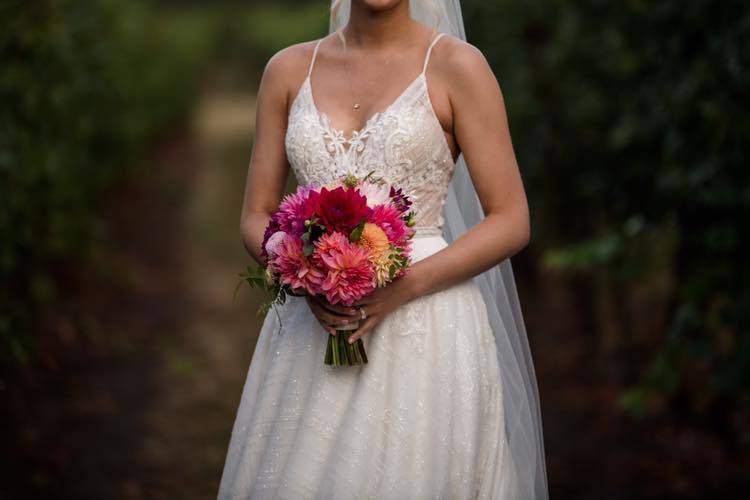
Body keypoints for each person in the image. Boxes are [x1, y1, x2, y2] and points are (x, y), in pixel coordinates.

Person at [218, 1, 548, 498]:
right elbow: (255, 215)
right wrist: (301, 273)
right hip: (312, 328)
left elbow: (510, 219)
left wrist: (403, 287)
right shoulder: (287, 70)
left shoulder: (459, 67)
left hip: (427, 327)